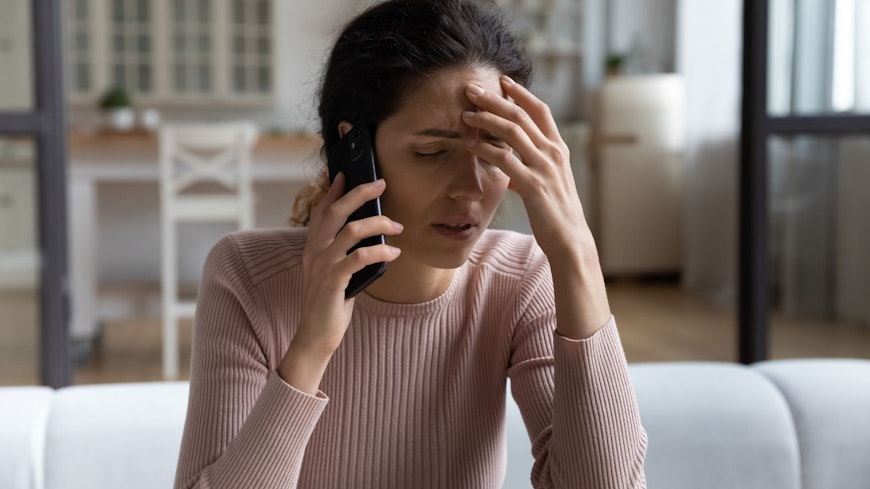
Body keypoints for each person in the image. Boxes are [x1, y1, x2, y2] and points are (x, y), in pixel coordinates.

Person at [174, 0, 647, 488]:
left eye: (493, 150)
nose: (472, 187)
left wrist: (576, 252)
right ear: (354, 150)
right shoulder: (248, 276)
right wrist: (311, 346)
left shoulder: (520, 279)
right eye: (432, 152)